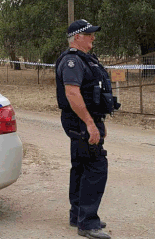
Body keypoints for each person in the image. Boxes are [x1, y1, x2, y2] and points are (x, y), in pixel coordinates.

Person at [55, 19, 119, 239]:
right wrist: (91, 124)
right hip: (81, 121)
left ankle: (78, 215)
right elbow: (72, 93)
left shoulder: (85, 59)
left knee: (81, 165)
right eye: (89, 34)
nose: (93, 37)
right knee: (95, 166)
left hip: (86, 119)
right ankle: (88, 223)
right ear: (77, 37)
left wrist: (99, 122)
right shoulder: (73, 61)